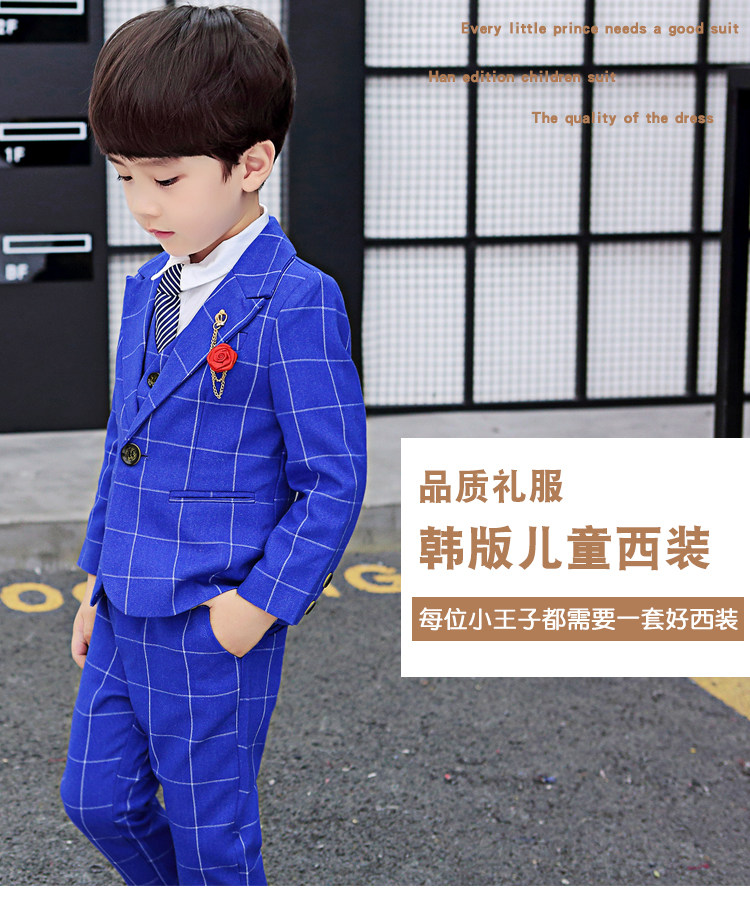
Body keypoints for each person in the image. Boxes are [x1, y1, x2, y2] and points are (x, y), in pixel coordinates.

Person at [59, 4, 367, 886]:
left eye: (165, 178)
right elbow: (125, 443)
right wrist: (95, 578)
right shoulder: (148, 290)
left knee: (213, 838)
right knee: (97, 800)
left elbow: (333, 480)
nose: (141, 204)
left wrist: (253, 610)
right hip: (123, 607)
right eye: (125, 176)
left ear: (252, 165)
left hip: (212, 621)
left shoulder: (296, 299)